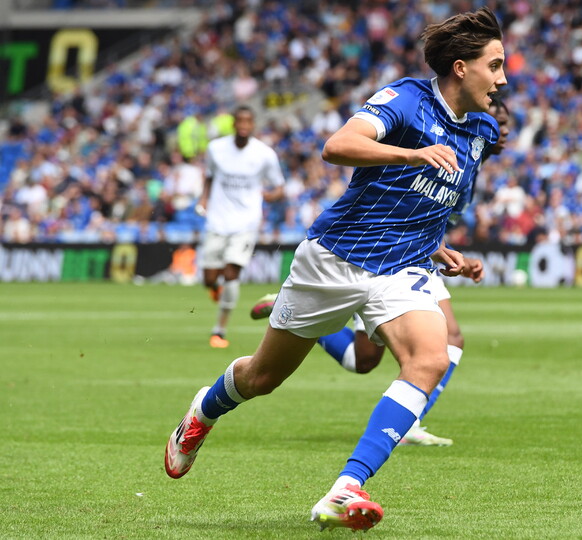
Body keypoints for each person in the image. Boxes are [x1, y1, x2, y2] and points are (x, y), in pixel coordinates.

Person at [164, 7, 507, 533]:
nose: (503, 79)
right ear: (461, 68)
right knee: (261, 378)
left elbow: (432, 201)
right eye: (495, 66)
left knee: (431, 358)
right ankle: (202, 414)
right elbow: (337, 146)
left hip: (403, 266)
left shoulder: (482, 129)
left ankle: (347, 487)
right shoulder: (407, 99)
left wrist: (442, 250)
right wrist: (413, 156)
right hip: (336, 259)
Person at [246, 96, 513, 447]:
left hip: (415, 253)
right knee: (448, 340)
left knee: (365, 360)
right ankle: (410, 421)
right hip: (377, 253)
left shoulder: (471, 158)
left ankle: (293, 310)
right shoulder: (437, 132)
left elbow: (429, 217)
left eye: (506, 124)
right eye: (499, 119)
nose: (503, 130)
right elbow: (398, 203)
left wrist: (448, 254)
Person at [196, 105, 285, 348]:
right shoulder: (216, 149)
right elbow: (210, 176)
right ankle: (215, 289)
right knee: (209, 278)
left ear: (253, 125)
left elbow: (278, 186)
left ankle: (219, 330)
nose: (244, 125)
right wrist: (204, 199)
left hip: (246, 222)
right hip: (217, 219)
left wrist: (268, 196)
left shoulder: (264, 154)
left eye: (249, 121)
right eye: (240, 121)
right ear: (234, 124)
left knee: (232, 273)